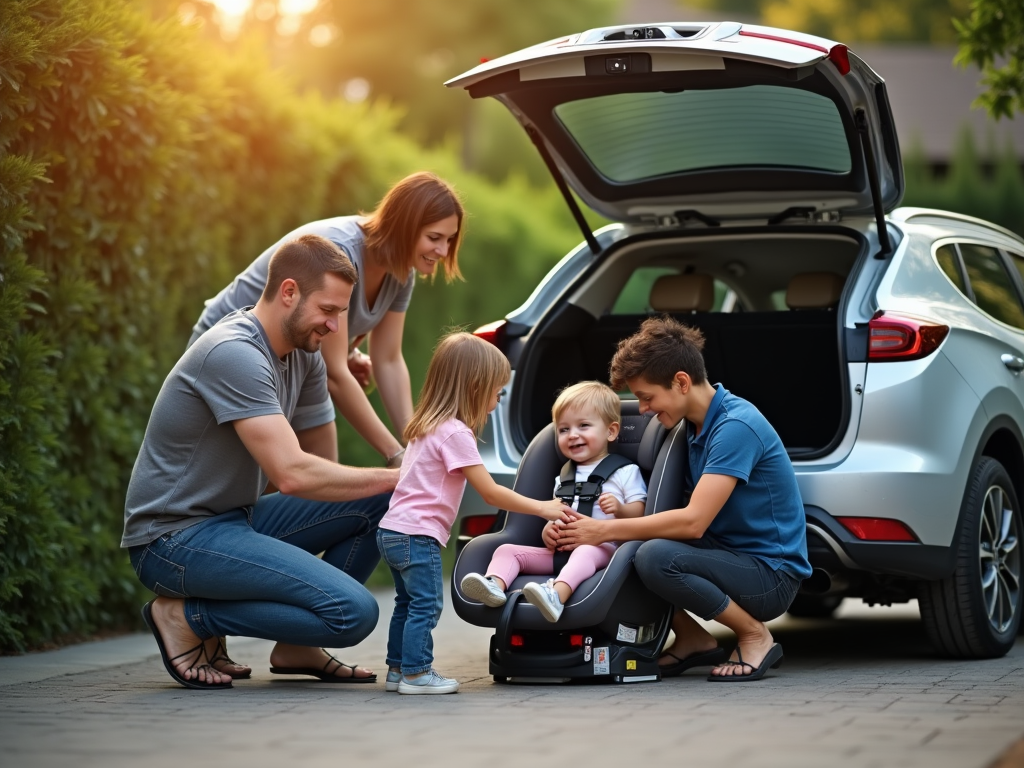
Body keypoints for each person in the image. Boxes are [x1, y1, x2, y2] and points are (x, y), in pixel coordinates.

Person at [122, 234, 399, 689]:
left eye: (340, 314)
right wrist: (398, 471)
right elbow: (291, 474)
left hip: (236, 522)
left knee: (382, 499)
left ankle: (298, 646)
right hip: (172, 539)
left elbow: (321, 466)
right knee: (353, 613)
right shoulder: (234, 353)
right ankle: (185, 616)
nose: (335, 329)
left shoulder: (302, 354)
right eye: (327, 311)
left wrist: (390, 484)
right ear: (288, 292)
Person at [556, 317, 812, 682]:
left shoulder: (735, 426)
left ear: (681, 382)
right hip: (724, 553)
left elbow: (694, 522)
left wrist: (601, 530)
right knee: (631, 548)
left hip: (769, 574)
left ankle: (755, 635)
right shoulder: (687, 425)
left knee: (654, 555)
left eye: (647, 397)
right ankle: (693, 638)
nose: (642, 409)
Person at [190, 171, 465, 471]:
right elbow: (335, 374)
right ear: (404, 226)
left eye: (449, 240)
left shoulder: (401, 273)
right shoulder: (341, 251)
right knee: (276, 477)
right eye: (434, 238)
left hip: (296, 360)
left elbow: (387, 358)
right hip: (235, 350)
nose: (443, 251)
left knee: (321, 478)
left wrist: (415, 443)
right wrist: (395, 456)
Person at [376, 332, 573, 694]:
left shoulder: (424, 427)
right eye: (496, 392)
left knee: (406, 603)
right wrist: (542, 507)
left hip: (391, 530)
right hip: (418, 535)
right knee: (427, 604)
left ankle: (397, 670)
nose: (497, 402)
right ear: (474, 386)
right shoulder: (455, 433)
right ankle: (417, 674)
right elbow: (490, 491)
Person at [460, 381, 647, 622]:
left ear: (610, 431)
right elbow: (557, 512)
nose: (573, 435)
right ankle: (495, 585)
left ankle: (556, 596)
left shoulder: (625, 472)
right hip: (560, 552)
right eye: (563, 429)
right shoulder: (563, 477)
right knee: (507, 550)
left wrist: (620, 509)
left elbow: (641, 512)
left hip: (604, 550)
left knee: (586, 552)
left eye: (584, 426)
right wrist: (549, 530)